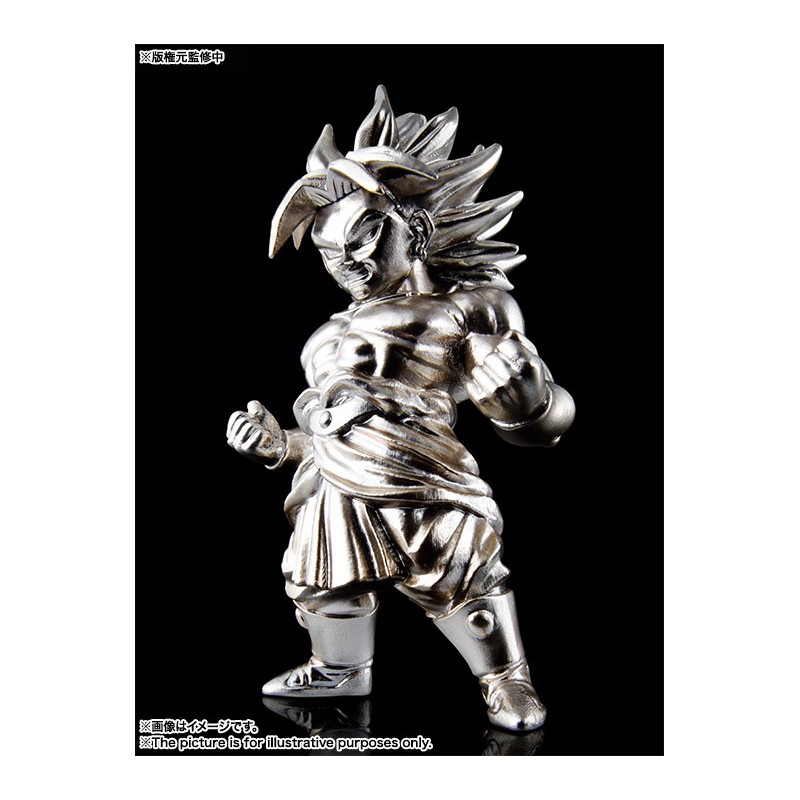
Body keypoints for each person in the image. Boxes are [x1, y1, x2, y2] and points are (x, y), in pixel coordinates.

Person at [226, 86, 575, 732]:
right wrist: (279, 445)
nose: (349, 262)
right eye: (331, 253)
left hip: (420, 471)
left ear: (414, 226)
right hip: (335, 479)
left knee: (457, 568)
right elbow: (324, 430)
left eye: (364, 237)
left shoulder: (465, 308)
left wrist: (528, 400)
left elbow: (543, 420)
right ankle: (339, 669)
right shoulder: (325, 337)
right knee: (323, 577)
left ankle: (506, 677)